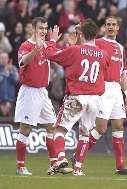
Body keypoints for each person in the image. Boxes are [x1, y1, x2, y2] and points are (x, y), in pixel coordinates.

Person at [45, 19, 110, 176]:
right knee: (85, 133)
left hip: (77, 96)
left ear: (80, 34)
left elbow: (51, 55)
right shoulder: (104, 54)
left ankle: (60, 158)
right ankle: (78, 169)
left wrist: (52, 40)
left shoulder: (75, 50)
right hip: (95, 99)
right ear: (95, 34)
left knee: (60, 129)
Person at [73, 16, 127, 175]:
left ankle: (120, 166)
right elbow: (82, 48)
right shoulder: (98, 42)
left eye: (114, 24)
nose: (111, 27)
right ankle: (78, 155)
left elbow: (123, 73)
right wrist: (79, 34)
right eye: (108, 24)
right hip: (102, 87)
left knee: (118, 125)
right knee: (101, 128)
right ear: (104, 27)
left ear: (118, 28)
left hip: (116, 89)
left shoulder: (121, 48)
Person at [14, 17, 72, 176]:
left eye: (45, 28)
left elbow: (60, 56)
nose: (43, 31)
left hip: (42, 92)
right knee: (25, 129)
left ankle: (54, 164)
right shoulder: (26, 45)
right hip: (29, 91)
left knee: (51, 127)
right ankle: (20, 166)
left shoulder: (47, 45)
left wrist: (67, 46)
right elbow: (22, 63)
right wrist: (36, 50)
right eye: (40, 28)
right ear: (33, 28)